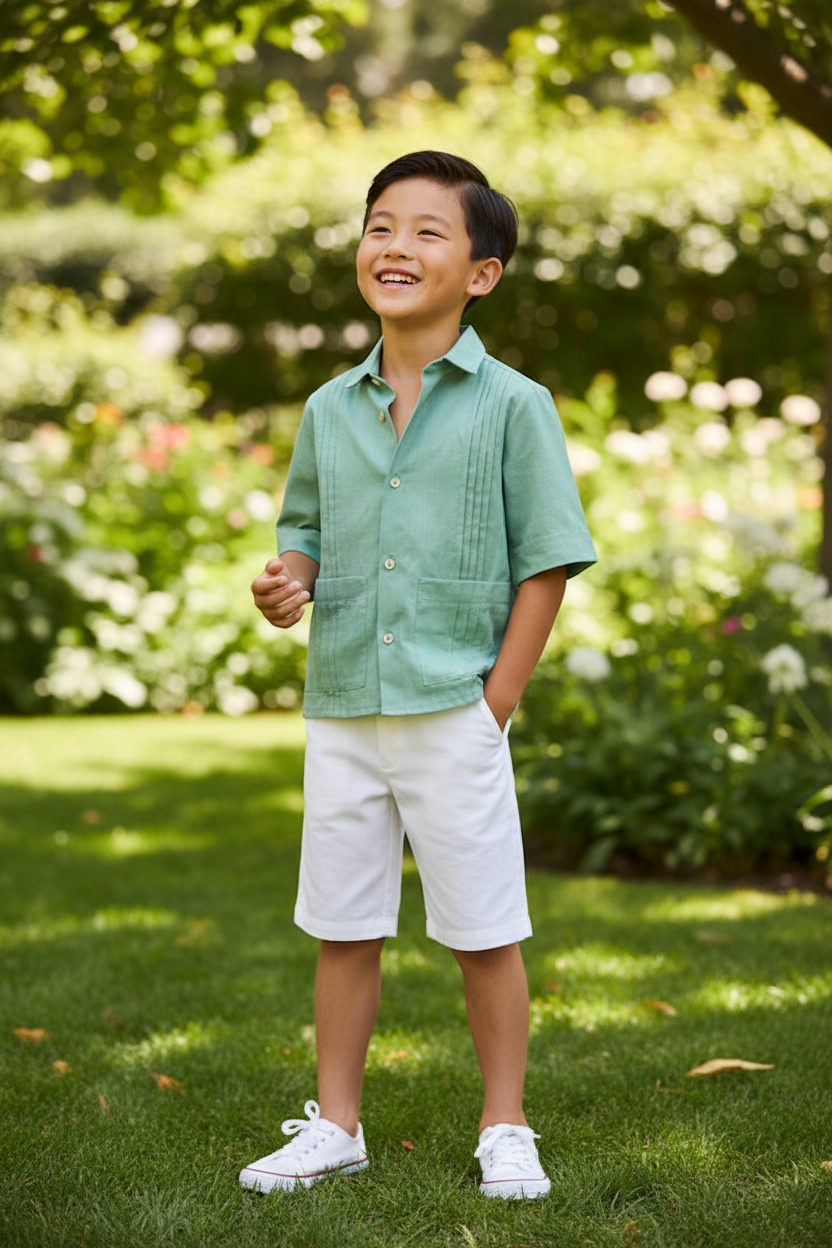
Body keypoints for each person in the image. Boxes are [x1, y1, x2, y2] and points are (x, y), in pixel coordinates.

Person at [242, 150, 596, 1200]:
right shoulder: (328, 408)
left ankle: (506, 1125)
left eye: (427, 231)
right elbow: (305, 529)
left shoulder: (514, 406)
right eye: (380, 227)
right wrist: (290, 581)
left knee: (483, 927)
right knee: (343, 922)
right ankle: (336, 1125)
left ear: (481, 273)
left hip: (455, 707)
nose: (395, 247)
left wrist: (496, 705)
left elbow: (547, 562)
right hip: (345, 702)